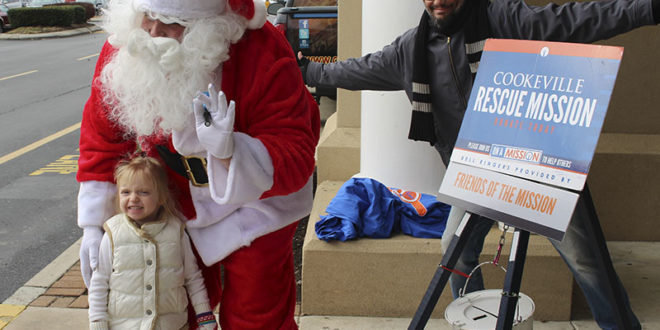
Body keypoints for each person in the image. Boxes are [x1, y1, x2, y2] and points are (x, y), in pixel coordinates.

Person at [298, 0, 660, 329]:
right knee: (455, 252)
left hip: (540, 166)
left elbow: (574, 20)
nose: (438, 2)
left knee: (588, 264)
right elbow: (353, 71)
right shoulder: (410, 50)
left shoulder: (504, 20)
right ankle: (476, 321)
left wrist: (647, 9)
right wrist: (302, 71)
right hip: (476, 175)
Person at [76, 0, 320, 328]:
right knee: (169, 307)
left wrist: (230, 151)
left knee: (256, 312)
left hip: (258, 201)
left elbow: (295, 152)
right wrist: (95, 225)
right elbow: (102, 136)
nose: (152, 31)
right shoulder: (130, 45)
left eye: (170, 21)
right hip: (175, 197)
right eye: (146, 15)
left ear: (209, 24)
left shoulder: (263, 50)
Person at [88, 156, 217, 330]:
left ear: (161, 197)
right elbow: (99, 282)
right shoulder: (112, 233)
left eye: (143, 192)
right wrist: (97, 322)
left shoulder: (176, 231)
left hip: (172, 325)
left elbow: (192, 277)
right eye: (126, 192)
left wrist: (204, 314)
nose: (133, 198)